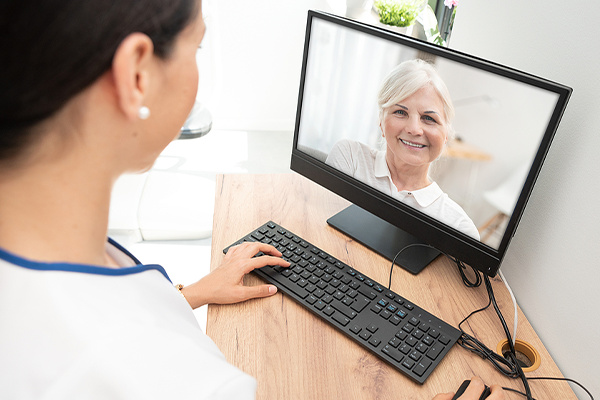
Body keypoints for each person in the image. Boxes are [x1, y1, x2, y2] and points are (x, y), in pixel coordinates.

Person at [0, 1, 500, 398]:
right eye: (197, 47)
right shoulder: (189, 383)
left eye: (430, 118)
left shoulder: (52, 245)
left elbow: (106, 304)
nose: (414, 128)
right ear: (136, 74)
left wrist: (190, 293)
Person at [326, 59, 480, 240]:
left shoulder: (459, 226)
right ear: (381, 122)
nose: (414, 129)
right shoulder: (350, 159)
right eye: (401, 112)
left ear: (446, 135)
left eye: (429, 118)